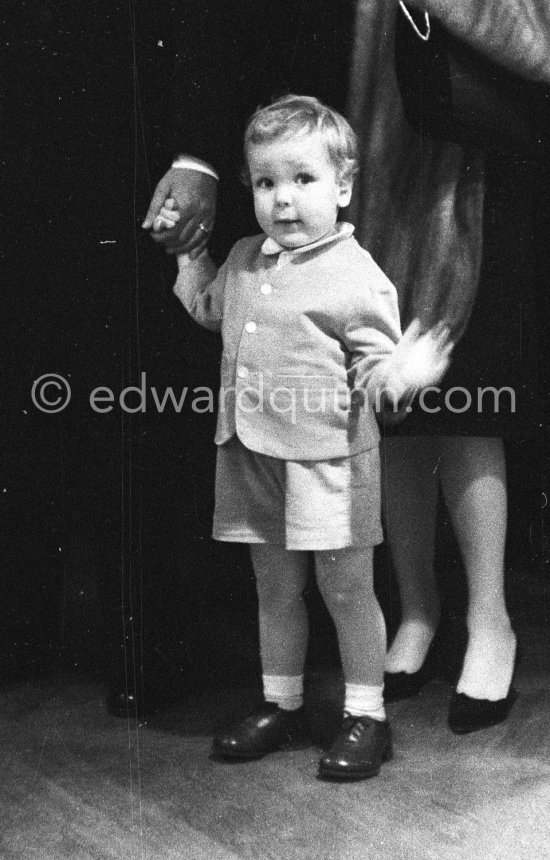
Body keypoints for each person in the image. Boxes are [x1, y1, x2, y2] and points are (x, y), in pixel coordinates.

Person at [156, 94, 451, 779]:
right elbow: (209, 311)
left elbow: (377, 374)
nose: (282, 200)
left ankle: (366, 713)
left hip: (329, 464)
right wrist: (192, 255)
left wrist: (405, 371)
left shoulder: (357, 278)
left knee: (346, 590)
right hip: (252, 454)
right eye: (265, 183)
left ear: (343, 187)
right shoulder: (243, 258)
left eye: (303, 180)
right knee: (274, 589)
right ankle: (279, 702)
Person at [346, 0, 550, 733]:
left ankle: (491, 621)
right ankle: (419, 611)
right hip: (378, 160)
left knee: (470, 401)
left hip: (477, 165)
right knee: (392, 407)